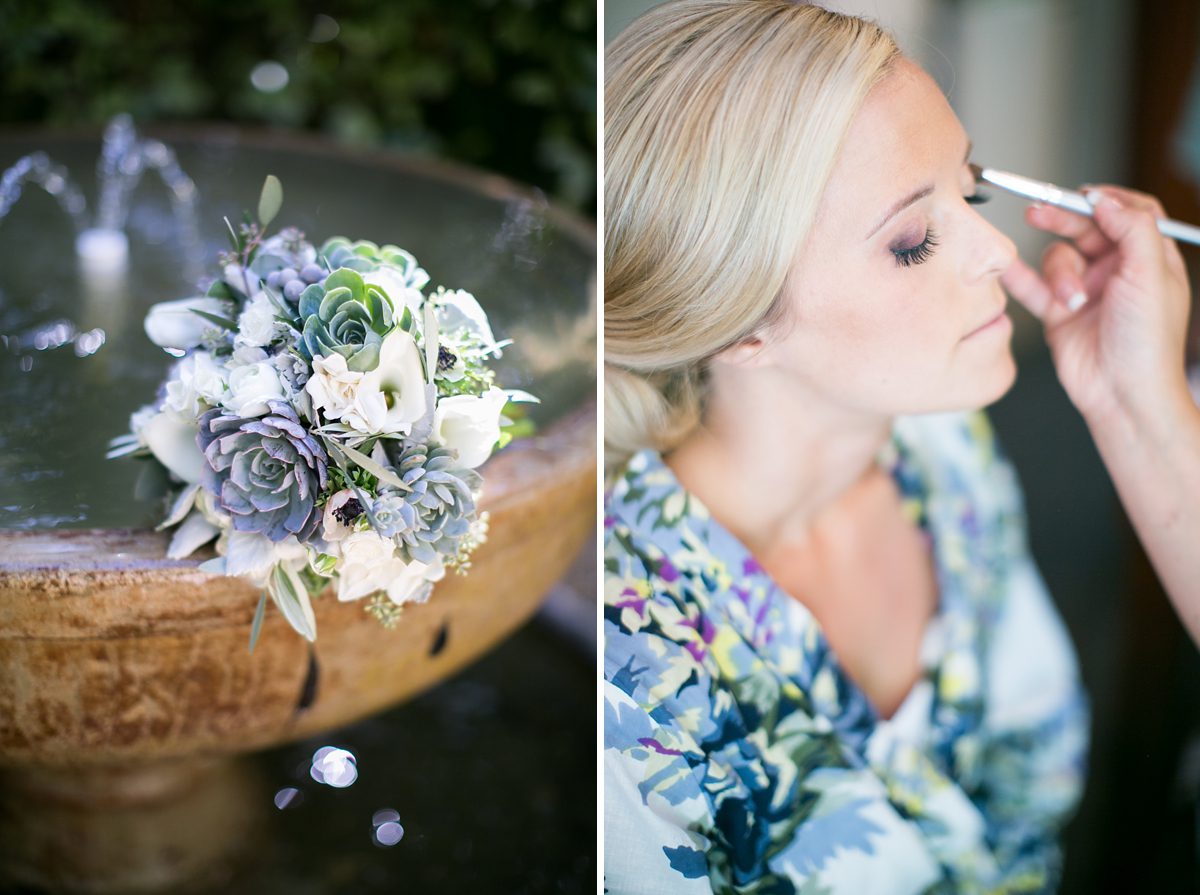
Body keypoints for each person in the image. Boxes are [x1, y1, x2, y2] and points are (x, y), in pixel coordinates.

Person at [603, 1, 1194, 892]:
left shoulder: (946, 450)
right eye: (913, 242)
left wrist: (1140, 402)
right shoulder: (628, 680)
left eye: (974, 193)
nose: (997, 249)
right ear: (738, 322)